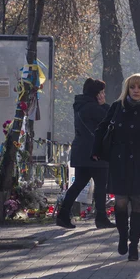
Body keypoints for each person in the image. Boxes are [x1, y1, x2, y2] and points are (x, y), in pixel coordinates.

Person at [92, 73, 140, 261]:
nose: (135, 91)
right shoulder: (117, 107)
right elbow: (102, 128)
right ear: (127, 89)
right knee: (121, 202)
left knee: (138, 204)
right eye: (132, 87)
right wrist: (96, 150)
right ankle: (123, 237)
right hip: (120, 161)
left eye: (139, 87)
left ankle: (134, 245)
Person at [56, 78, 115, 229]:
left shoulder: (81, 106)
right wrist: (104, 105)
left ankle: (63, 214)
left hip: (81, 152)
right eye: (101, 92)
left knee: (79, 184)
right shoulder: (94, 108)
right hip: (96, 152)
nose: (103, 95)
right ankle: (101, 218)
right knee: (101, 185)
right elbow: (111, 119)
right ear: (96, 94)